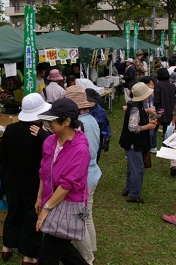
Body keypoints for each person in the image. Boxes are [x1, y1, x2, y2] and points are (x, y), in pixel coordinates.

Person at [0, 93, 51, 265]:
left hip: (11, 179)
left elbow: (0, 155)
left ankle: (6, 247)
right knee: (31, 216)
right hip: (33, 182)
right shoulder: (41, 134)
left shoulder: (10, 129)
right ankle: (28, 255)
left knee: (13, 212)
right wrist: (45, 136)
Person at [35, 98, 90, 265]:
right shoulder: (50, 141)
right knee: (63, 249)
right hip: (50, 201)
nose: (49, 123)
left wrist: (46, 208)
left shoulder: (80, 149)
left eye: (53, 119)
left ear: (66, 121)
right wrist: (39, 198)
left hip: (67, 205)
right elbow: (44, 173)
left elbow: (67, 185)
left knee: (47, 256)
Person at [65, 86, 101, 265]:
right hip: (92, 173)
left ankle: (87, 258)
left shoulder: (78, 124)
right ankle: (91, 248)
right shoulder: (91, 119)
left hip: (82, 177)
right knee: (87, 216)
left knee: (79, 219)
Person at [118, 82, 157, 203]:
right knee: (138, 168)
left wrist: (146, 111)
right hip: (133, 143)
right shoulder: (135, 108)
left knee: (132, 166)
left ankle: (129, 188)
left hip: (131, 142)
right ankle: (134, 194)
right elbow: (132, 127)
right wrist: (148, 126)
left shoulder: (136, 105)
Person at [85, 88, 111, 163]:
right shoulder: (82, 110)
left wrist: (106, 140)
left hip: (96, 140)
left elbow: (105, 126)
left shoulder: (100, 111)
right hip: (85, 140)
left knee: (94, 159)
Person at [154, 68, 176, 137]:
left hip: (161, 108)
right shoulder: (171, 85)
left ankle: (154, 145)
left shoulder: (158, 85)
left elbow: (157, 100)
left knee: (155, 126)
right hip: (171, 107)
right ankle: (166, 142)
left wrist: (158, 111)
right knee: (167, 127)